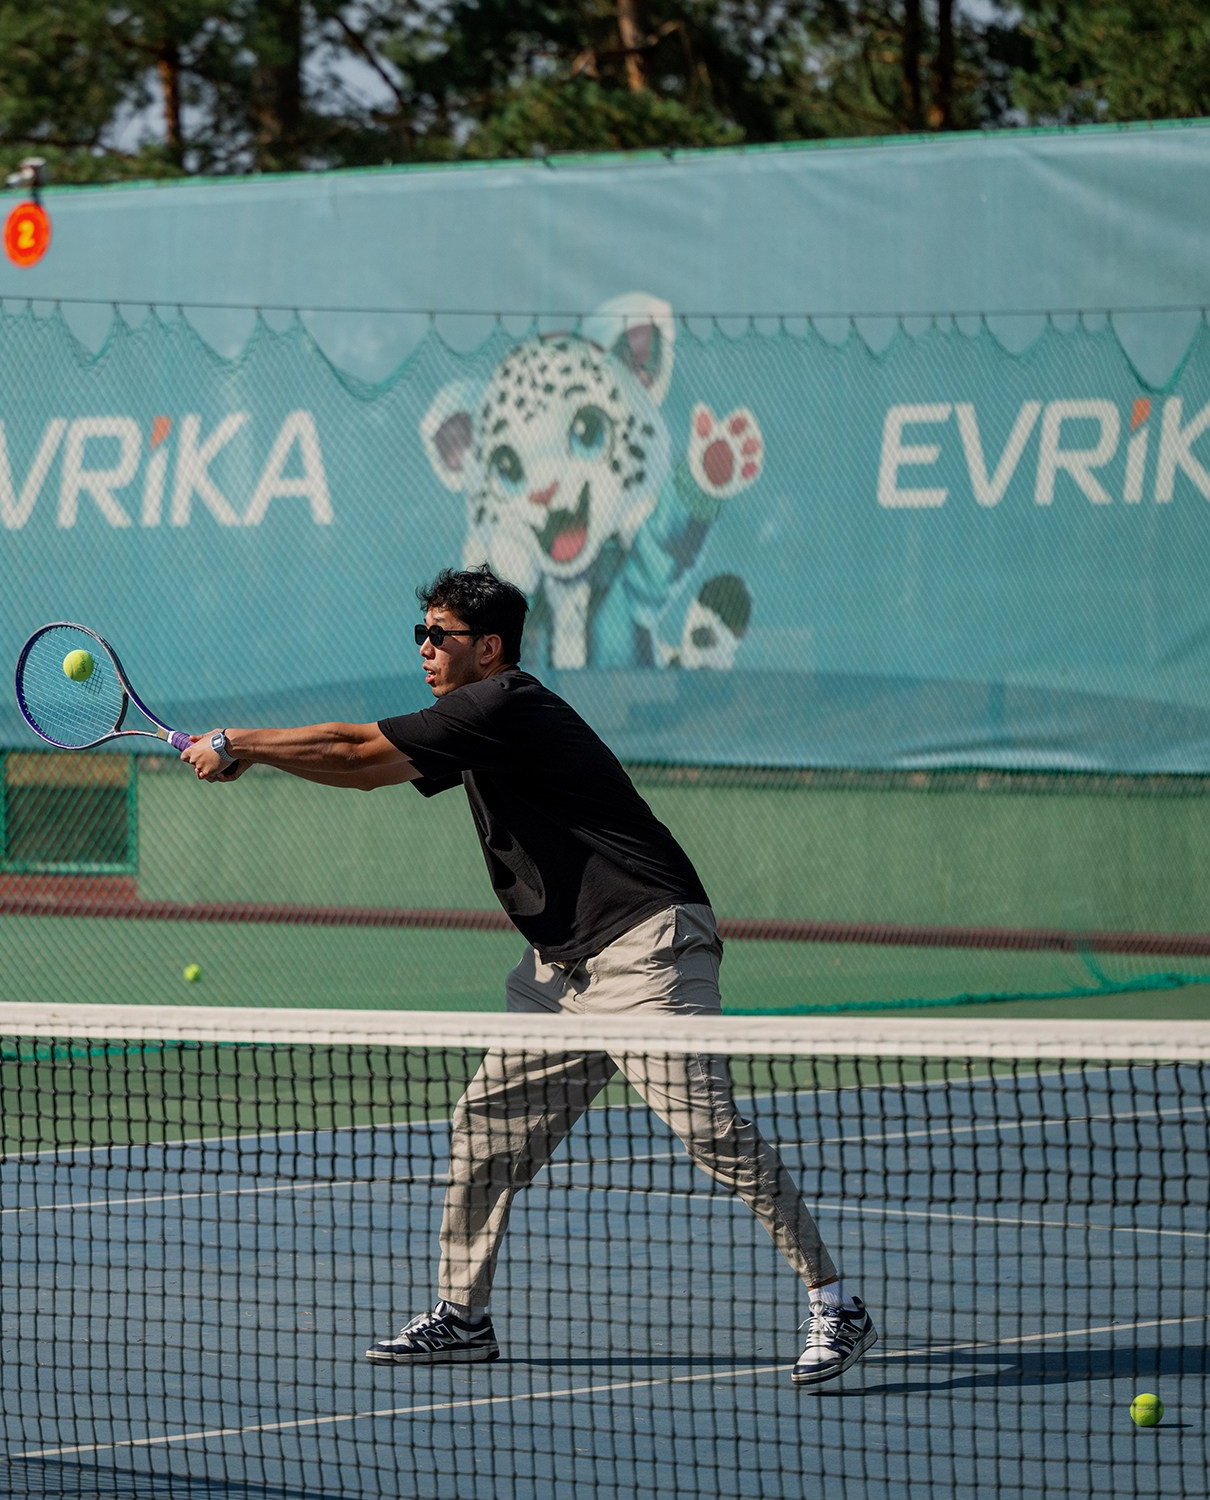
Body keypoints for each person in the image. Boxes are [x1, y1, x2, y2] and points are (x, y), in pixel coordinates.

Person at [180, 564, 873, 1390]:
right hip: (557, 970)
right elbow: (369, 770)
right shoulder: (469, 721)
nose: (426, 649)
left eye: (441, 636)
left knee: (712, 1133)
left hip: (645, 943)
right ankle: (463, 1316)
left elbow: (353, 745)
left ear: (491, 648)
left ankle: (836, 1301)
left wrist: (238, 743)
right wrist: (257, 760)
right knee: (483, 1127)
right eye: (422, 634)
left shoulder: (503, 703)